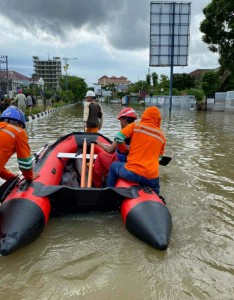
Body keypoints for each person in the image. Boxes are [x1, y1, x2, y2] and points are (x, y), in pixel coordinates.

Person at [107, 106, 166, 195]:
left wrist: (124, 150)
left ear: (145, 116)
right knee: (156, 186)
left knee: (113, 166)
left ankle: (109, 193)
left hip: (132, 172)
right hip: (151, 177)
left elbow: (119, 137)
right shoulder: (162, 136)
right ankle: (158, 199)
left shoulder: (136, 126)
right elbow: (159, 158)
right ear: (159, 119)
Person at [93, 107, 137, 187]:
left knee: (100, 156)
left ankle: (97, 185)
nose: (120, 123)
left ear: (125, 119)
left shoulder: (123, 132)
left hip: (122, 162)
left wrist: (100, 144)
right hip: (134, 162)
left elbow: (110, 150)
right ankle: (107, 176)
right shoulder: (139, 132)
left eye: (120, 120)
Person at [0, 106, 38, 182]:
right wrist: (30, 176)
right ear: (20, 124)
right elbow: (25, 161)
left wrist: (9, 176)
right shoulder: (19, 132)